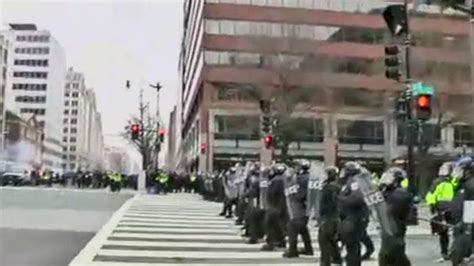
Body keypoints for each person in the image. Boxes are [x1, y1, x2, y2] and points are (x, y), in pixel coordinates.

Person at [377, 167, 413, 266]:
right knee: (387, 256)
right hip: (388, 231)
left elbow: (394, 205)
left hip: (395, 231)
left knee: (393, 255)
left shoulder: (400, 193)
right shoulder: (387, 192)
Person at [425, 162, 456, 261]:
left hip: (441, 209)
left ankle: (445, 252)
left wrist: (433, 208)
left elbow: (430, 196)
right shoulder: (454, 182)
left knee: (443, 233)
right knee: (455, 231)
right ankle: (452, 251)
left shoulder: (437, 182)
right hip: (451, 209)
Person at [338, 161, 366, 266]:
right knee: (350, 245)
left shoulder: (355, 182)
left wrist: (340, 199)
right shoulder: (348, 182)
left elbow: (357, 199)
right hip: (348, 217)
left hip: (354, 218)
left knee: (353, 244)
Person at [282, 165, 313, 258]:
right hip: (299, 211)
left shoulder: (294, 183)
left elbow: (301, 196)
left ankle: (292, 250)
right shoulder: (294, 183)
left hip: (297, 211)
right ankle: (308, 249)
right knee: (303, 230)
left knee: (292, 230)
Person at [449, 156, 474, 266]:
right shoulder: (462, 185)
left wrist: (466, 227)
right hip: (460, 228)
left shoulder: (471, 186)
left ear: (468, 171)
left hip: (465, 230)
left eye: (460, 169)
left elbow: (470, 209)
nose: (456, 172)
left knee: (458, 257)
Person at [318, 166, 342, 266]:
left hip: (329, 216)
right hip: (334, 216)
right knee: (331, 239)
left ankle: (325, 262)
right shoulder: (336, 186)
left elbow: (331, 203)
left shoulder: (330, 188)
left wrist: (322, 217)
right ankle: (337, 258)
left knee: (324, 239)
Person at [261, 163, 287, 251]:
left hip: (274, 206)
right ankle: (281, 242)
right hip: (282, 206)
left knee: (270, 225)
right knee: (280, 225)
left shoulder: (276, 180)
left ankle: (271, 243)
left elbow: (271, 194)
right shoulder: (285, 179)